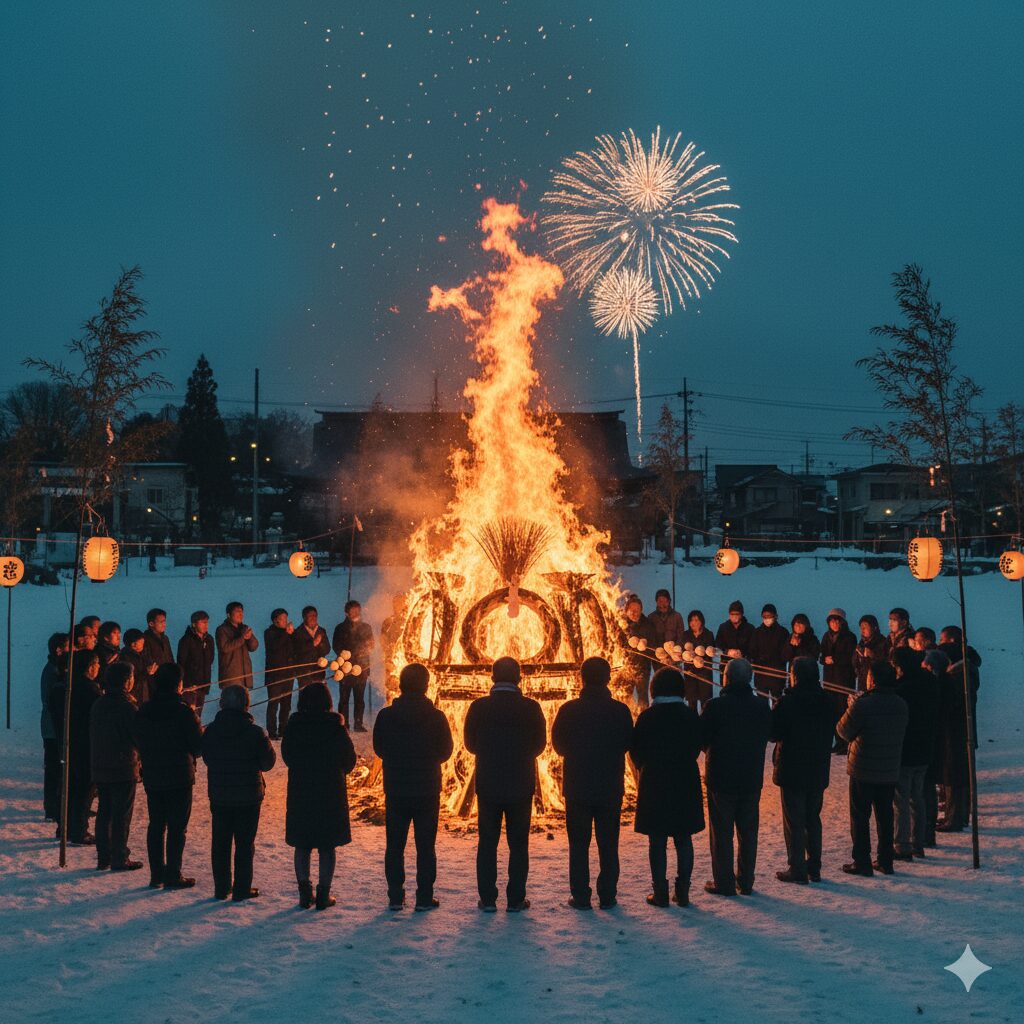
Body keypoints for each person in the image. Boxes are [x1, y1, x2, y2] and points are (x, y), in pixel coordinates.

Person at [463, 657, 546, 912]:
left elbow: (470, 745)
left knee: (487, 842)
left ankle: (488, 900)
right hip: (521, 784)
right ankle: (516, 899)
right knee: (519, 843)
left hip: (488, 783)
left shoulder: (479, 707)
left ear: (492, 678)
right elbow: (539, 746)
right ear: (519, 679)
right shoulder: (531, 707)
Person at [551, 656, 633, 910]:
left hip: (578, 786)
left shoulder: (569, 710)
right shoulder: (620, 710)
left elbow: (559, 746)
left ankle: (581, 896)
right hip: (609, 786)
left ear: (581, 678)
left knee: (578, 844)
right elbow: (627, 744)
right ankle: (608, 896)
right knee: (609, 844)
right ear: (608, 679)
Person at [372, 663, 454, 911]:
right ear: (426, 685)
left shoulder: (386, 716)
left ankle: (395, 896)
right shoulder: (436, 716)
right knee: (425, 846)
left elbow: (379, 748)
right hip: (427, 789)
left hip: (396, 788)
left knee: (394, 845)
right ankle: (424, 897)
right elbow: (445, 751)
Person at [629, 667, 704, 908]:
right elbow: (696, 747)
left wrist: (645, 767)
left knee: (657, 840)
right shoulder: (690, 716)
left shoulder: (647, 717)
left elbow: (636, 752)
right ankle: (683, 891)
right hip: (684, 780)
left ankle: (660, 891)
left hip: (655, 783)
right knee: (684, 839)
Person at [282, 681, 357, 910]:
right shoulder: (336, 727)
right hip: (329, 793)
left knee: (302, 844)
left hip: (301, 792)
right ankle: (323, 894)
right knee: (327, 845)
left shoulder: (294, 726)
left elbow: (287, 756)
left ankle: (305, 892)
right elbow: (349, 760)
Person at [700, 658, 771, 896]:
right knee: (748, 831)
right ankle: (746, 880)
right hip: (750, 777)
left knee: (721, 832)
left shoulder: (715, 706)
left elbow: (703, 739)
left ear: (726, 678)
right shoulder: (761, 707)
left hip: (721, 777)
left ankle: (724, 882)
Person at [201, 684, 276, 900]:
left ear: (222, 704)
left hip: (220, 794)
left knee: (220, 842)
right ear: (246, 704)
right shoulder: (255, 733)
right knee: (245, 843)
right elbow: (268, 763)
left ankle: (222, 887)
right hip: (248, 797)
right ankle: (242, 888)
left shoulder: (212, 731)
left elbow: (207, 757)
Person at [133, 663, 203, 889]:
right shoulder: (183, 712)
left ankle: (156, 874)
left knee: (156, 825)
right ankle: (173, 873)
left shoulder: (145, 710)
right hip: (180, 776)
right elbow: (198, 746)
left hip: (154, 773)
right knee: (176, 827)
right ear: (179, 685)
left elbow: (138, 739)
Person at [836, 661, 909, 876]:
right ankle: (886, 860)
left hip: (863, 768)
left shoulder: (864, 705)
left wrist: (851, 707)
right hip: (888, 768)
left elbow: (843, 731)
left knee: (860, 817)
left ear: (873, 680)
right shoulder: (900, 704)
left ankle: (862, 861)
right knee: (885, 815)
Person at [770, 657, 835, 883]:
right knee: (812, 818)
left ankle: (797, 867)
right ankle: (813, 866)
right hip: (817, 768)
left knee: (794, 820)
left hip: (792, 768)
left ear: (795, 676)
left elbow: (773, 733)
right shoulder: (827, 701)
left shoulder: (789, 702)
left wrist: (776, 708)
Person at [89, 662, 142, 871]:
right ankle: (119, 856)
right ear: (127, 681)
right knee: (121, 814)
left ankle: (104, 856)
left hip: (101, 765)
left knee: (105, 811)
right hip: (122, 766)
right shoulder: (126, 706)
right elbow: (136, 736)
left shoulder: (99, 703)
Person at [49, 649, 102, 844]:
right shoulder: (89, 690)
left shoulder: (62, 687)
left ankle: (64, 826)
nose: (98, 668)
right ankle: (79, 829)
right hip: (86, 745)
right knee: (83, 789)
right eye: (96, 665)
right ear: (90, 667)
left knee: (69, 787)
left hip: (66, 743)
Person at [892, 647, 939, 860]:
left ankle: (902, 844)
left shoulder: (903, 689)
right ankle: (918, 841)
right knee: (917, 796)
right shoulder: (929, 683)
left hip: (906, 749)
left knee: (902, 798)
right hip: (925, 747)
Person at [935, 627, 981, 832]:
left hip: (955, 730)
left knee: (954, 773)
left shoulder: (959, 674)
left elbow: (953, 703)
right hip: (961, 728)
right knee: (959, 772)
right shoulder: (966, 670)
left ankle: (955, 817)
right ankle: (959, 816)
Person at [922, 649, 951, 845]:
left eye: (924, 664)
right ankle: (927, 833)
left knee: (924, 790)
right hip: (934, 743)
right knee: (927, 789)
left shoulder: (932, 686)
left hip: (929, 743)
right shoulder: (944, 684)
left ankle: (925, 833)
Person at [333, 600, 374, 732]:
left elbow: (371, 645)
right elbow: (336, 646)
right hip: (345, 669)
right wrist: (346, 655)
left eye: (358, 610)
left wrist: (363, 652)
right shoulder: (340, 628)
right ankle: (343, 724)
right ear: (346, 613)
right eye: (353, 610)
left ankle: (358, 723)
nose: (356, 613)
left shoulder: (366, 627)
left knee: (359, 698)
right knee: (344, 698)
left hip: (362, 668)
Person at [40, 632, 69, 821]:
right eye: (68, 647)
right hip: (53, 728)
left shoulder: (56, 668)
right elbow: (51, 702)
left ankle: (58, 806)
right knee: (54, 769)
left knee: (58, 768)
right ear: (59, 650)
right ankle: (53, 808)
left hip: (54, 726)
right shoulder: (53, 671)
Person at [820, 608, 857, 754]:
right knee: (832, 711)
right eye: (831, 620)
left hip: (844, 679)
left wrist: (835, 659)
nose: (834, 623)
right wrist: (824, 659)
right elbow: (821, 655)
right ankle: (836, 741)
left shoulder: (850, 637)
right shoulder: (826, 636)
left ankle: (844, 742)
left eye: (837, 620)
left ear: (842, 622)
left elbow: (850, 658)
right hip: (829, 679)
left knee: (843, 711)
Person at [264, 608, 296, 739]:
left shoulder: (288, 633)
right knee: (273, 704)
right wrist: (286, 634)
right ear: (275, 620)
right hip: (275, 675)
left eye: (286, 619)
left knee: (286, 704)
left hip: (288, 674)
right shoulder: (269, 632)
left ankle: (283, 730)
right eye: (283, 619)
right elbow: (275, 648)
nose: (285, 621)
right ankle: (272, 732)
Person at [177, 610, 215, 720]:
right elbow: (181, 662)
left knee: (198, 714)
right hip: (190, 685)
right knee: (189, 715)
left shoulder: (209, 639)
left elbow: (210, 660)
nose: (206, 625)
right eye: (202, 622)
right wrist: (185, 683)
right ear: (194, 624)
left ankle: (197, 734)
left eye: (207, 622)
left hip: (203, 683)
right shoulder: (186, 640)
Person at [621, 595, 655, 710]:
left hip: (643, 666)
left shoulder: (648, 624)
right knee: (625, 694)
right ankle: (625, 717)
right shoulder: (622, 624)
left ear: (641, 610)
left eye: (638, 610)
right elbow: (616, 642)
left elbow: (653, 644)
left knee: (642, 695)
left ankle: (643, 719)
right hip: (626, 666)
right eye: (632, 611)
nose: (635, 613)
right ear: (626, 611)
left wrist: (645, 644)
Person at [748, 603, 789, 697]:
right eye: (764, 616)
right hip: (761, 675)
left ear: (775, 616)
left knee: (777, 704)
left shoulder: (783, 632)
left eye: (769, 616)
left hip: (777, 676)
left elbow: (785, 654)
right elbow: (752, 651)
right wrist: (757, 660)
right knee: (762, 705)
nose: (767, 618)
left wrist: (775, 660)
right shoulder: (757, 632)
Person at [216, 602, 259, 689]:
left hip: (245, 676)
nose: (240, 614)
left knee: (245, 702)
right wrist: (242, 638)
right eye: (237, 611)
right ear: (229, 614)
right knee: (231, 701)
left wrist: (250, 637)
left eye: (242, 611)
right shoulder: (222, 629)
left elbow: (253, 647)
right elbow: (225, 648)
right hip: (231, 677)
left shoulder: (244, 628)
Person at [292, 604, 331, 694]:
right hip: (304, 672)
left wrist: (320, 644)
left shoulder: (321, 631)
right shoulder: (298, 632)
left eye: (315, 615)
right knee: (305, 696)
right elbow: (297, 650)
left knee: (320, 696)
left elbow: (327, 649)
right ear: (304, 617)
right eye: (310, 616)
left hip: (319, 671)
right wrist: (313, 643)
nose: (313, 618)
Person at [680, 610, 714, 711]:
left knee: (706, 703)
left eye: (696, 620)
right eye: (691, 620)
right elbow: (682, 652)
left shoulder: (708, 634)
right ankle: (693, 724)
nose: (693, 623)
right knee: (692, 703)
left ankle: (705, 724)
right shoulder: (685, 635)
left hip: (705, 673)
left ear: (701, 621)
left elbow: (711, 652)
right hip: (690, 673)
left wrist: (700, 656)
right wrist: (686, 655)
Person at [379, 594, 408, 699]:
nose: (397, 605)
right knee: (391, 687)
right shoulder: (388, 622)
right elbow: (382, 640)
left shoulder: (408, 621)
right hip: (390, 660)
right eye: (395, 602)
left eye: (400, 602)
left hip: (405, 660)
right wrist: (388, 655)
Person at [853, 615, 888, 690]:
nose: (862, 629)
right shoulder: (861, 644)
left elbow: (885, 662)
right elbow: (855, 663)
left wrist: (873, 655)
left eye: (865, 626)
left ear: (874, 627)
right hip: (862, 681)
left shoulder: (883, 642)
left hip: (876, 682)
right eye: (861, 627)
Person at [143, 609, 174, 683]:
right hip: (154, 681)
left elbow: (170, 658)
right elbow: (147, 661)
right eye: (161, 622)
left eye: (164, 621)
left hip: (168, 680)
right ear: (151, 623)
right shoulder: (145, 639)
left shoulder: (165, 639)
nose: (164, 624)